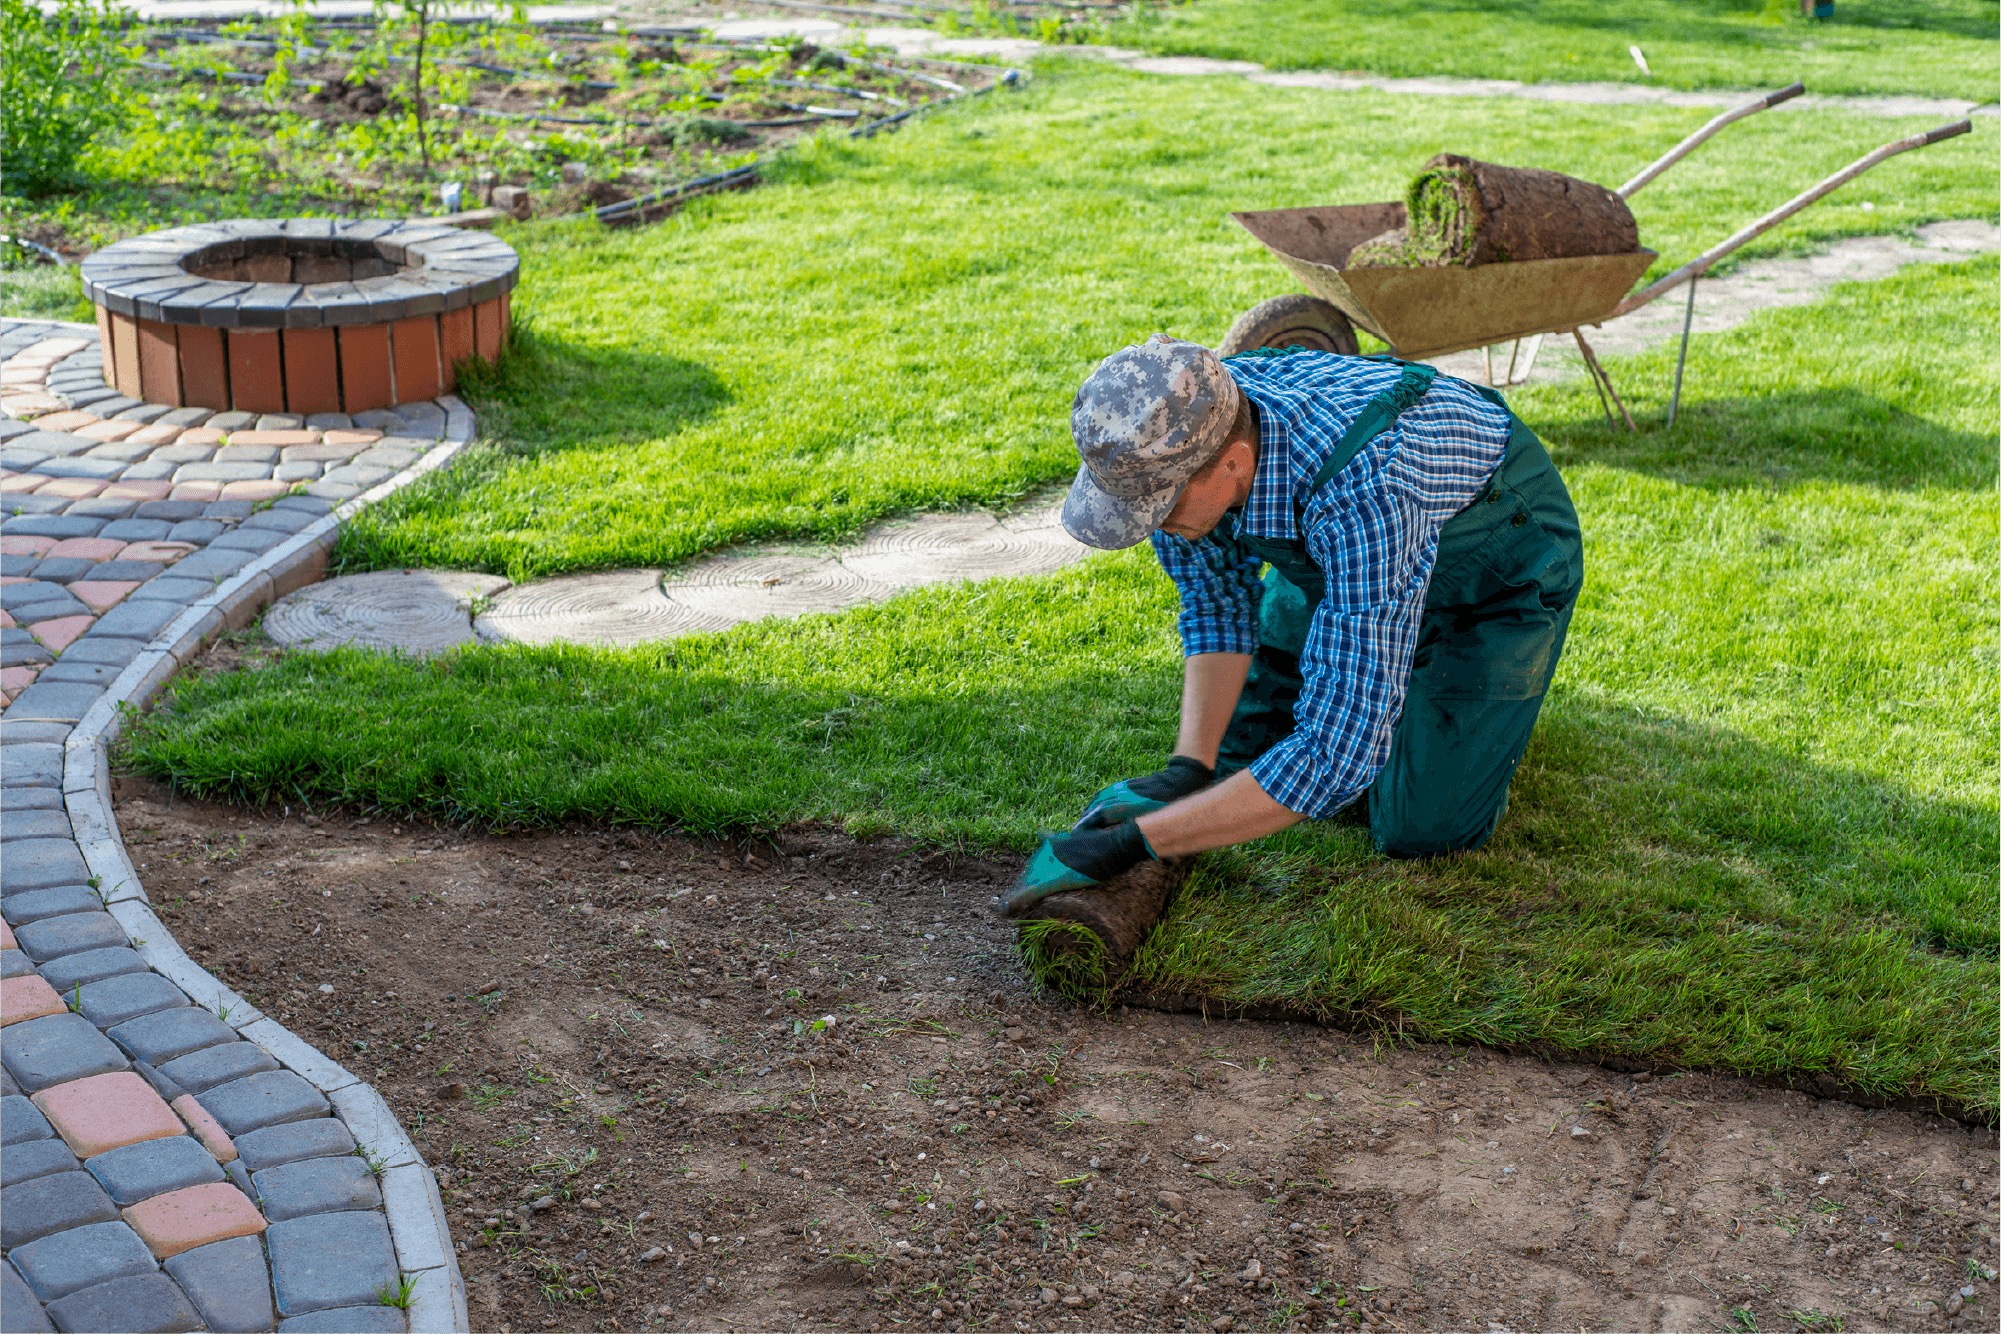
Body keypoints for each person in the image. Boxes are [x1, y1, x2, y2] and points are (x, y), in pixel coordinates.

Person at [1003, 334, 1583, 916]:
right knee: (1236, 760)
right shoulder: (1185, 420)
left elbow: (1335, 757)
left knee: (1419, 825)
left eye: (1161, 508)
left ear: (1231, 464)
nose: (1152, 526)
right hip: (1356, 562)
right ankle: (1388, 663)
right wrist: (1188, 769)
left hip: (1494, 568)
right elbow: (1216, 600)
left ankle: (1459, 703)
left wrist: (1135, 843)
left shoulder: (1366, 490)